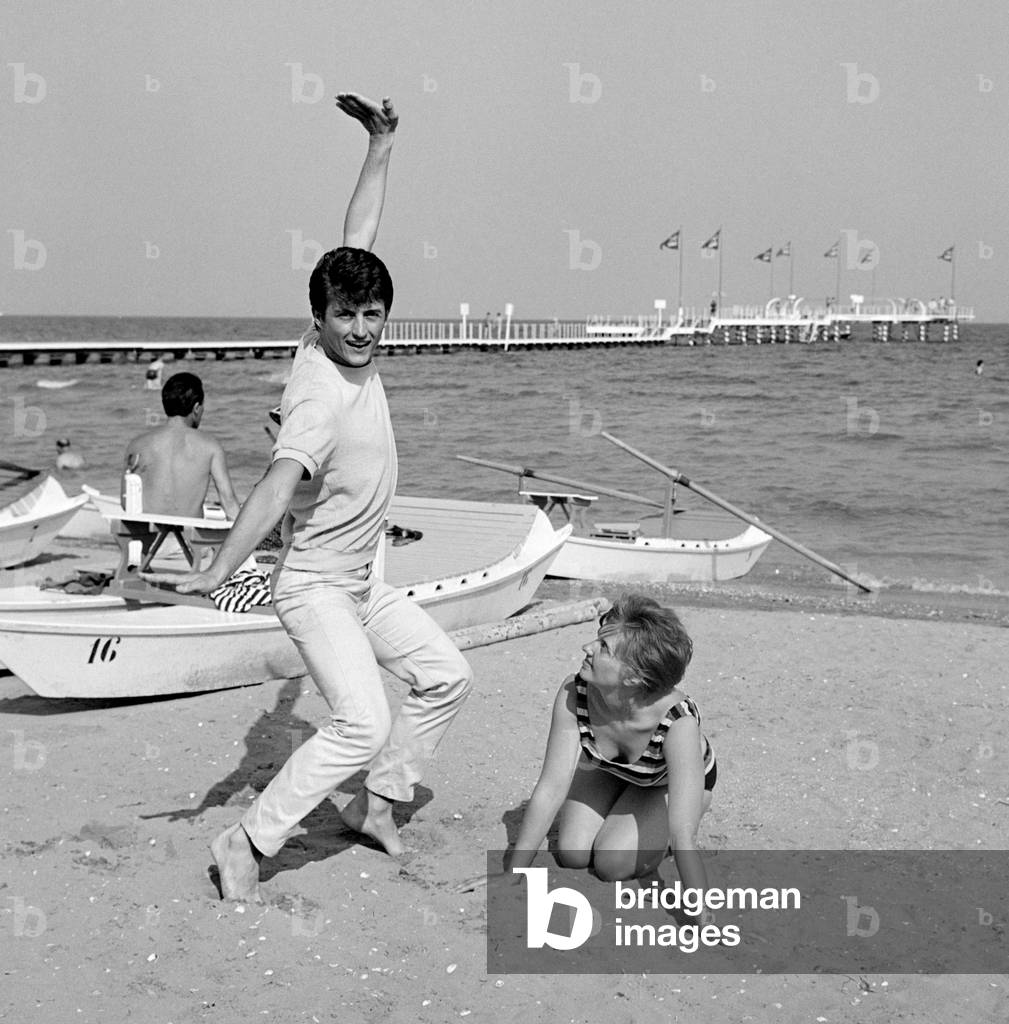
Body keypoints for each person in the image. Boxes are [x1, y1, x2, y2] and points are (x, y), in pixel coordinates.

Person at [143, 92, 473, 903]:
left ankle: (379, 803)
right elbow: (274, 486)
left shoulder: (343, 336)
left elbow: (355, 238)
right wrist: (220, 570)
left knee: (446, 676)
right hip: (316, 586)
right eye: (344, 315)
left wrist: (383, 144)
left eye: (371, 313)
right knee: (360, 719)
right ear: (317, 321)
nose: (360, 328)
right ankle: (247, 840)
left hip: (364, 582)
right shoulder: (317, 397)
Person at [503, 595, 715, 896]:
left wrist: (700, 902)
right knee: (573, 853)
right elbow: (551, 787)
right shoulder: (574, 692)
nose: (587, 648)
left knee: (611, 864)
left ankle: (698, 802)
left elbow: (683, 834)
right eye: (597, 640)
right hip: (609, 769)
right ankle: (624, 802)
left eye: (604, 648)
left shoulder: (677, 722)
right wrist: (514, 872)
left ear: (633, 677)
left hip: (663, 782)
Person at [122, 371, 241, 520]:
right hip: (187, 540)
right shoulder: (210, 446)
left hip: (147, 539)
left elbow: (126, 501)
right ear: (196, 408)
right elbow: (228, 502)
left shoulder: (137, 445)